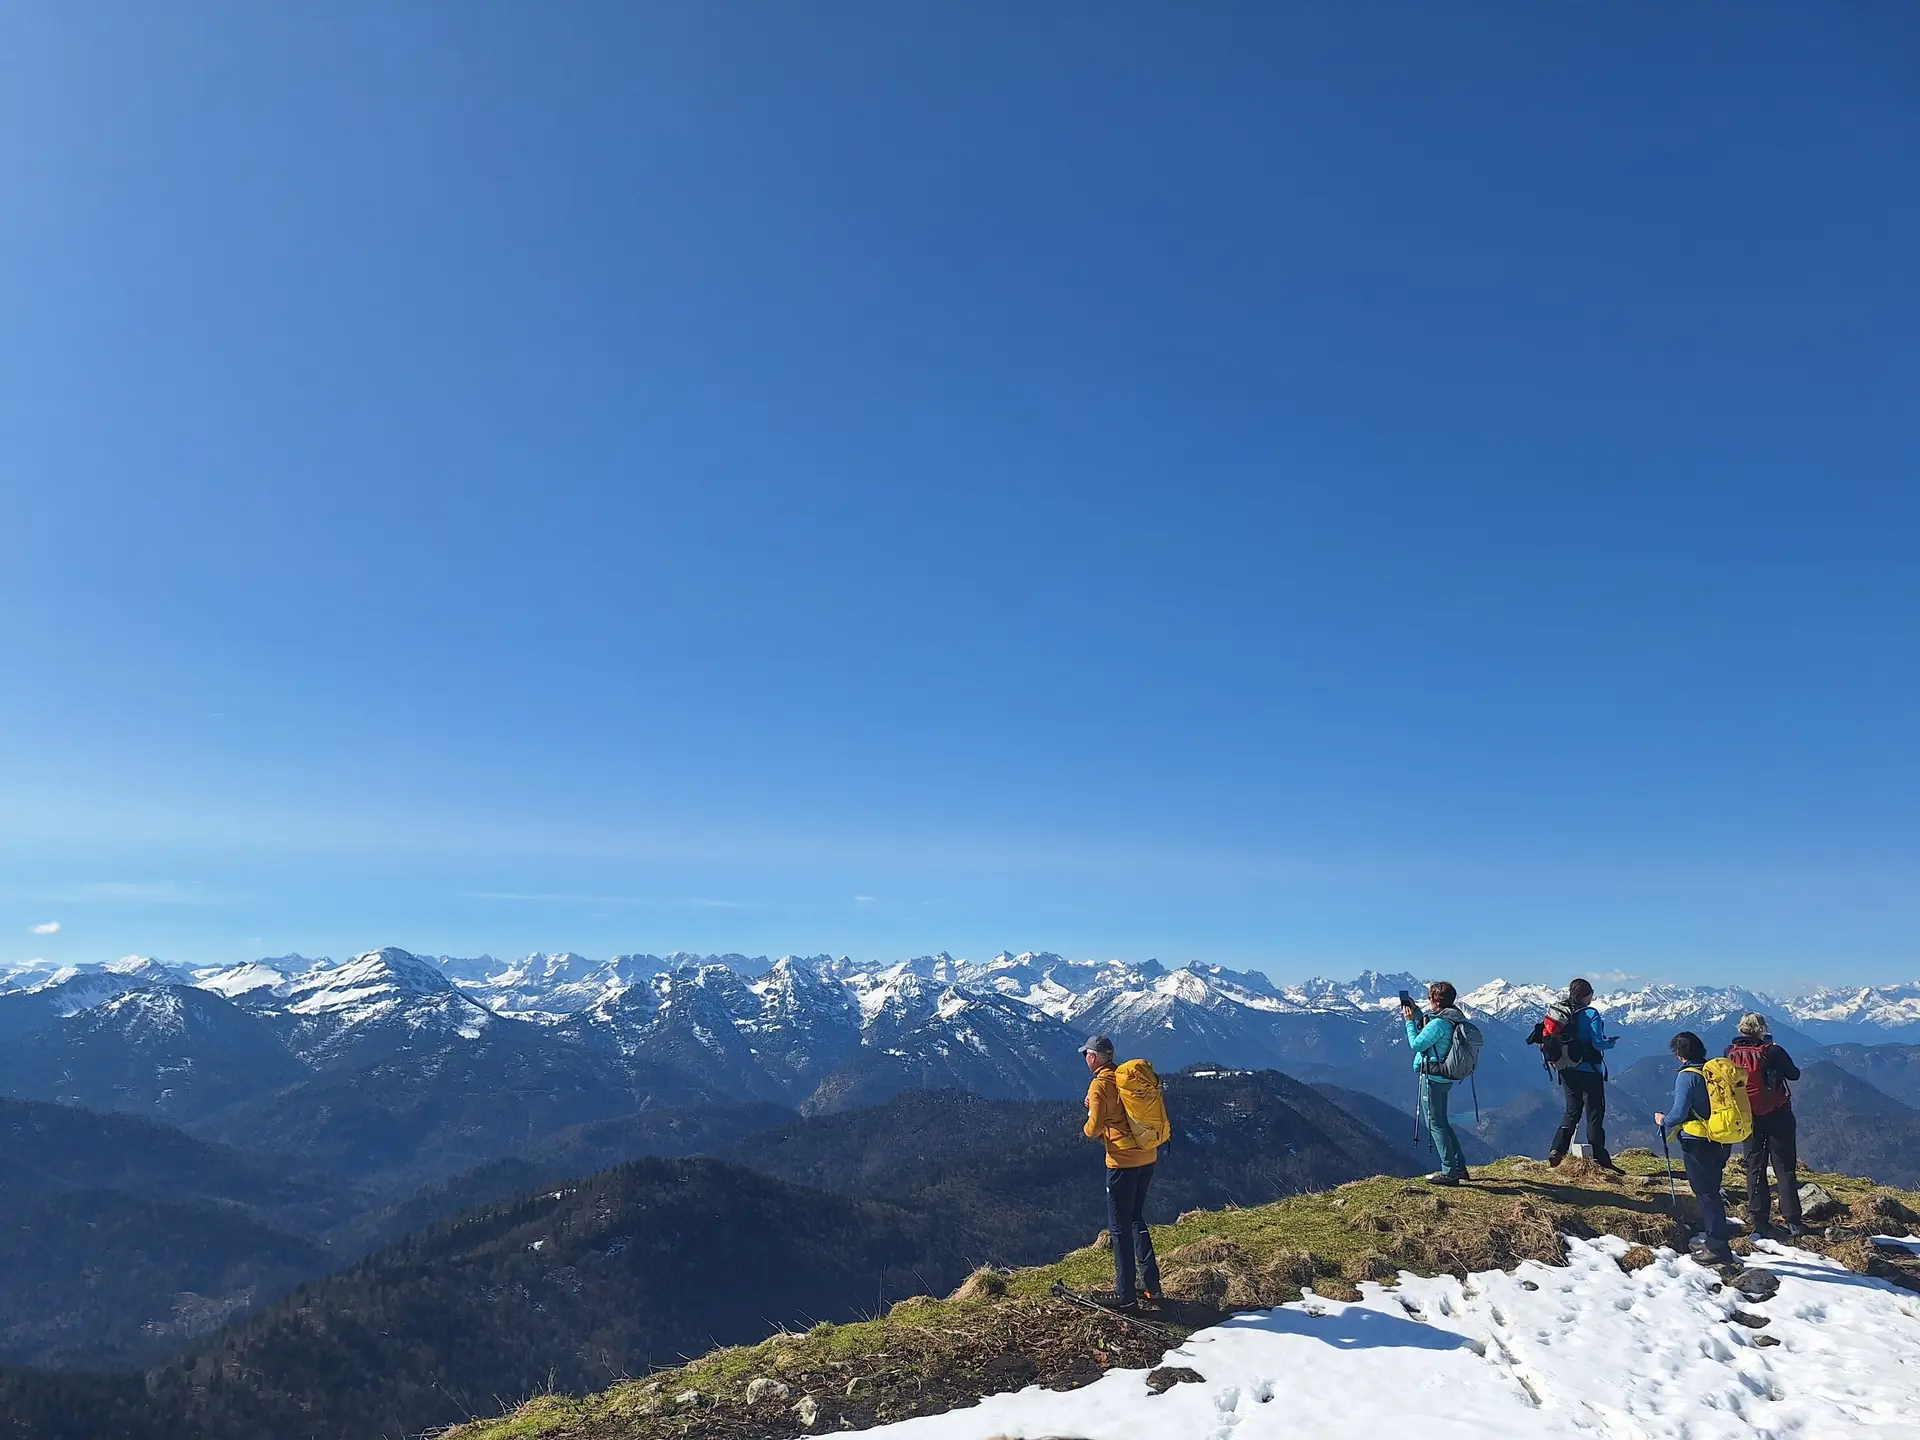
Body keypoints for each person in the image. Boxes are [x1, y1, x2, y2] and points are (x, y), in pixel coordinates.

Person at [1079, 1034, 1161, 1312]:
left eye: (1085, 1054)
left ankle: (1125, 1294)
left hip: (1121, 1162)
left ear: (1094, 1057)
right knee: (1136, 1217)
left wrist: (1088, 1118)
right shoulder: (1127, 1078)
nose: (1085, 1059)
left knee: (1119, 1227)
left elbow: (1094, 1128)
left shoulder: (1099, 1085)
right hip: (1147, 1155)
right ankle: (1151, 1284)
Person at [1655, 1030, 1736, 1265]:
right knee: (1713, 1189)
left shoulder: (1687, 1076)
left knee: (1706, 1193)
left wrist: (1663, 1120)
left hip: (1697, 1140)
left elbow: (1679, 1112)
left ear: (1680, 1054)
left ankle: (1718, 1246)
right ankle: (1714, 1240)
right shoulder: (1715, 1072)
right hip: (1722, 1137)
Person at [1727, 1013, 1807, 1237]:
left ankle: (1759, 1219)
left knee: (1754, 1166)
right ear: (1762, 1028)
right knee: (1784, 1167)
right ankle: (1793, 1220)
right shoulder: (1772, 1051)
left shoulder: (1729, 1053)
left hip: (1747, 1117)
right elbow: (1794, 1075)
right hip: (1777, 1114)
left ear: (1741, 1029)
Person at [1402, 981, 1471, 1187]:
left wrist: (1408, 1022)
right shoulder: (1453, 1018)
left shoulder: (1438, 1024)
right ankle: (1459, 1166)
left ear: (1436, 1001)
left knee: (1435, 1123)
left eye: (1430, 998)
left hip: (1431, 1078)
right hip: (1445, 1076)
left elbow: (1416, 1044)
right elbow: (1430, 1021)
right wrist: (1416, 1011)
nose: (1429, 1001)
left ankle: (1449, 1171)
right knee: (1442, 1121)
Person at [1548, 978, 1620, 1171]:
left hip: (1565, 1069)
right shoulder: (1591, 1013)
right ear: (1587, 995)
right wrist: (1610, 1043)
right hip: (1589, 1070)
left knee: (1572, 1111)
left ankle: (1558, 1149)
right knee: (1594, 1113)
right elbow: (1597, 1043)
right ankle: (1600, 1158)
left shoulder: (1561, 1012)